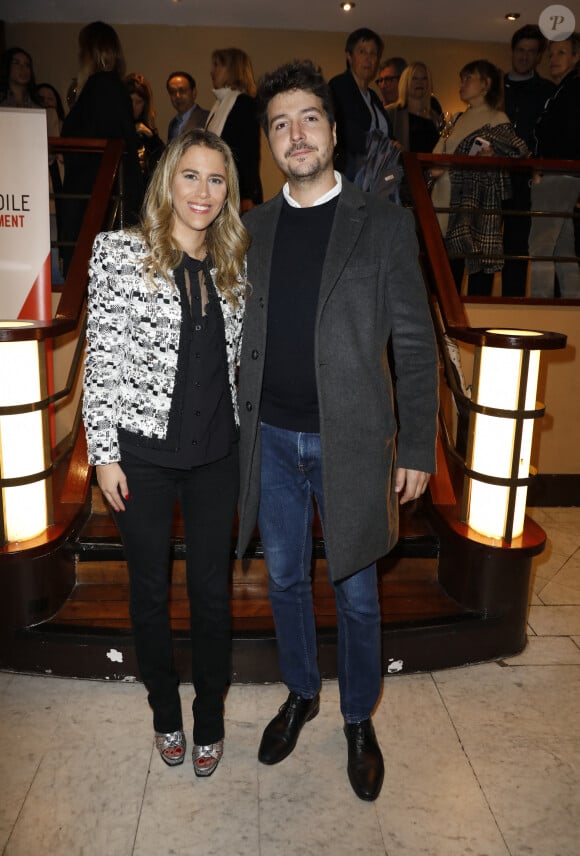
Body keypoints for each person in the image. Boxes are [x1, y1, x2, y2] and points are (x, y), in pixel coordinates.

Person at [236, 60, 438, 802]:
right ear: (269, 139)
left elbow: (414, 344)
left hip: (352, 444)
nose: (296, 133)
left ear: (333, 130)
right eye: (281, 123)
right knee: (285, 579)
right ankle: (300, 693)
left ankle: (356, 717)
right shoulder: (251, 227)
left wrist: (417, 444)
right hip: (273, 445)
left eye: (309, 118)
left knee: (356, 596)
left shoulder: (383, 225)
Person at [83, 129, 249, 777]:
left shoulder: (237, 263)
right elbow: (101, 359)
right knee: (150, 592)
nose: (202, 192)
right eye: (190, 176)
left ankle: (209, 717)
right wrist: (104, 453)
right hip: (141, 457)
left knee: (212, 595)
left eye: (215, 179)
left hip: (215, 457)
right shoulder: (120, 254)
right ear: (167, 183)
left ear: (227, 189)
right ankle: (163, 711)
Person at [430, 59, 528, 296]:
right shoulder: (456, 119)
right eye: (461, 79)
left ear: (486, 84)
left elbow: (518, 152)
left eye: (468, 78)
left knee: (477, 279)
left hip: (475, 207)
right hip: (442, 202)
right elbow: (435, 153)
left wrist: (493, 155)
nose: (461, 84)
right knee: (444, 279)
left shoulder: (497, 118)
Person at [59, 21, 144, 275]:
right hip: (99, 204)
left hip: (94, 206)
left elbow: (107, 151)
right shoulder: (108, 86)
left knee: (89, 278)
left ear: (89, 53)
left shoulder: (102, 86)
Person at [502, 24, 555, 297]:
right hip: (494, 177)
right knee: (484, 245)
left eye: (531, 52)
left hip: (526, 180)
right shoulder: (495, 88)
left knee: (518, 244)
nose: (524, 57)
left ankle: (511, 302)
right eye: (520, 50)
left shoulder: (548, 91)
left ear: (538, 57)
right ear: (513, 52)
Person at [528, 34, 580, 299]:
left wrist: (543, 165)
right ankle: (571, 303)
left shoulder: (572, 91)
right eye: (552, 54)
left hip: (558, 174)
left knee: (541, 245)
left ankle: (541, 305)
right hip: (563, 175)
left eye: (561, 53)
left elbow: (566, 135)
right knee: (562, 246)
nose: (554, 59)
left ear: (575, 57)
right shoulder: (563, 91)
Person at [329, 28, 391, 180]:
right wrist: (386, 147)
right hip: (351, 177)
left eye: (373, 53)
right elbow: (347, 133)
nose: (369, 59)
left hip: (378, 177)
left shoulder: (374, 97)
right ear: (349, 56)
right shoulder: (339, 86)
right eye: (362, 52)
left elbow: (389, 135)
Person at [206, 48, 263, 211]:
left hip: (238, 196)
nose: (212, 71)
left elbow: (249, 154)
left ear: (231, 70)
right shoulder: (218, 105)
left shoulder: (244, 104)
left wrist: (248, 196)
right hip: (219, 190)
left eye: (217, 65)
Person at [386, 61, 441, 153]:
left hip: (432, 167)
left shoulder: (435, 117)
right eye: (414, 78)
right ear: (405, 82)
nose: (420, 82)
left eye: (424, 78)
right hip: (403, 166)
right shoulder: (391, 113)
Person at [125, 72, 165, 185]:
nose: (133, 107)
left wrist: (151, 136)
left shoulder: (145, 130)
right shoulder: (113, 128)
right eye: (129, 100)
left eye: (138, 102)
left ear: (145, 105)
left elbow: (163, 157)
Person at [166, 71, 209, 141]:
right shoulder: (172, 124)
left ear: (194, 93)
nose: (177, 96)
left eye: (182, 90)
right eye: (172, 92)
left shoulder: (207, 119)